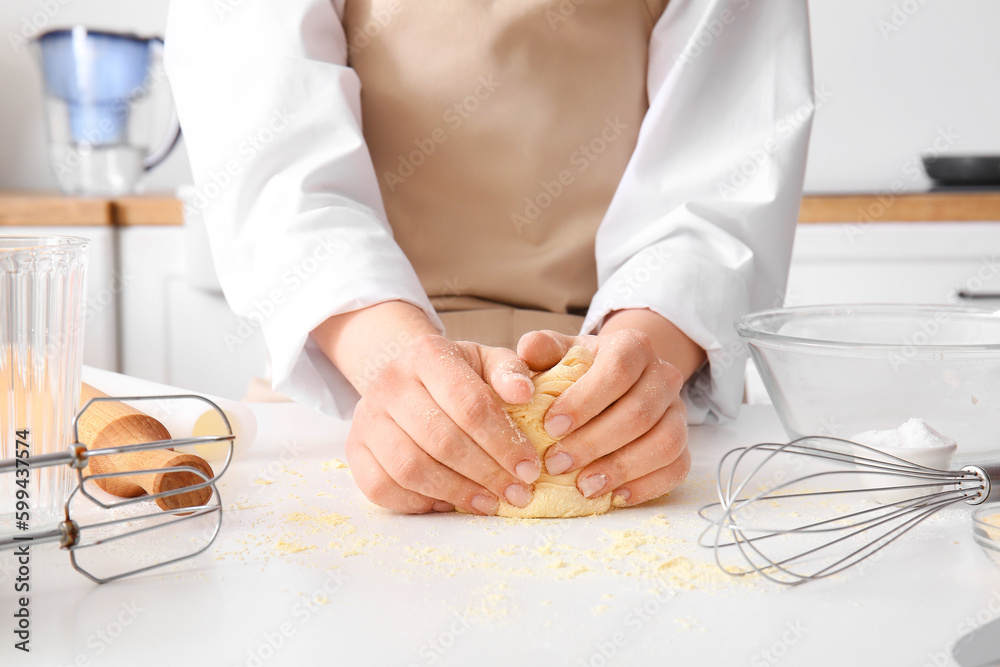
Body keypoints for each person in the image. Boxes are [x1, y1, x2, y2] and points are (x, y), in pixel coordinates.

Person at [165, 0, 813, 516]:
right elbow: (279, 175)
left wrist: (640, 370)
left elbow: (722, 175)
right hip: (350, 402)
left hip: (630, 424)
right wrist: (396, 363)